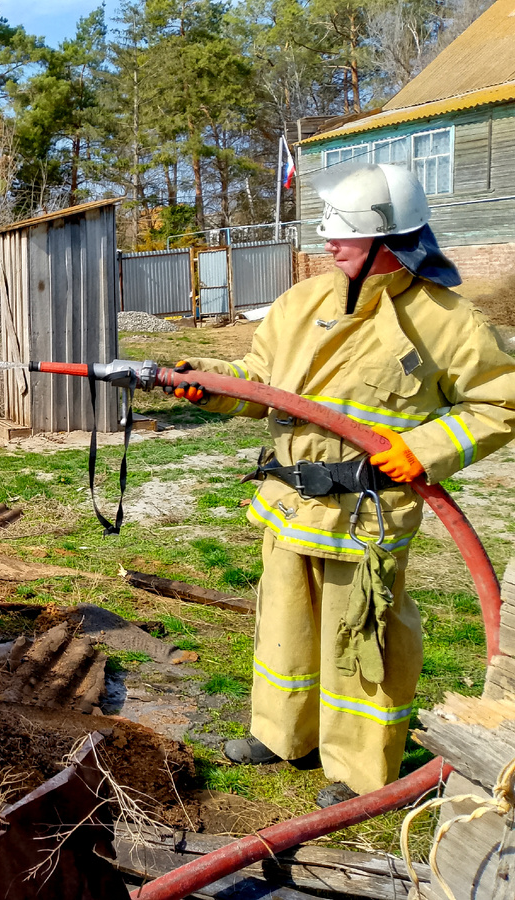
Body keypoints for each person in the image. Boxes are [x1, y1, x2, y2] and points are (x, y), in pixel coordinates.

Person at [175, 162, 515, 806]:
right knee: (285, 627)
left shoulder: (446, 320)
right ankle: (284, 736)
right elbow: (259, 380)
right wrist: (207, 382)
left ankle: (360, 771)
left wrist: (424, 451)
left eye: (344, 233)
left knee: (362, 642)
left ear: (390, 240)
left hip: (366, 516)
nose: (328, 243)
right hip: (288, 502)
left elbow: (502, 402)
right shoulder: (302, 302)